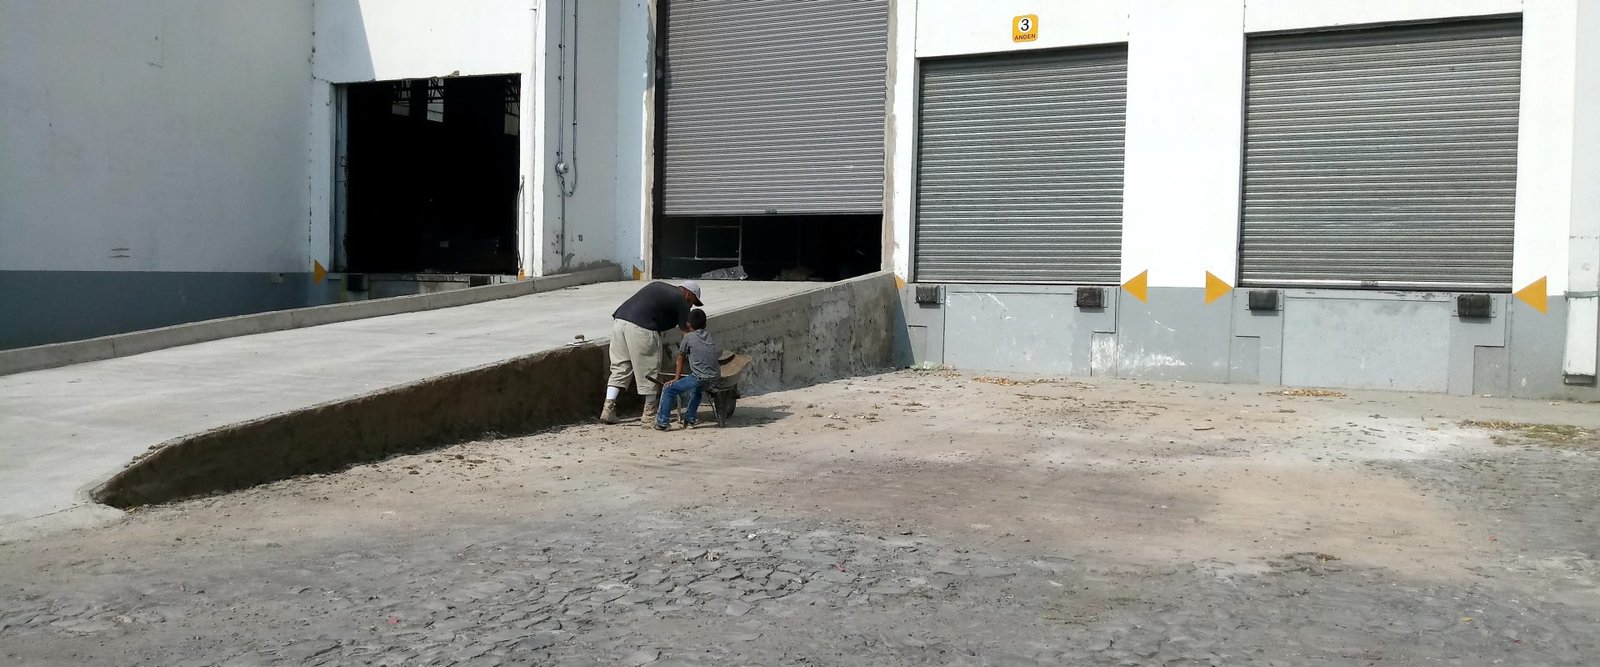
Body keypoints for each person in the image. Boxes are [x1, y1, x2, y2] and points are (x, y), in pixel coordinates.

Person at [600, 280, 704, 425]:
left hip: (620, 322)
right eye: (693, 301)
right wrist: (697, 352)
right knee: (649, 370)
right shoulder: (681, 301)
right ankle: (649, 414)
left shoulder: (659, 286)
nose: (691, 306)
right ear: (688, 294)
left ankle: (608, 409)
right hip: (642, 328)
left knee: (620, 367)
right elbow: (685, 334)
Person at [655, 308, 719, 431]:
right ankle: (689, 419)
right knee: (697, 390)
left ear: (688, 324)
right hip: (714, 376)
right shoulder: (708, 335)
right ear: (705, 324)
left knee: (668, 389)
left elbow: (680, 358)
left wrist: (676, 379)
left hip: (699, 376)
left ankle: (662, 423)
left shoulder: (688, 337)